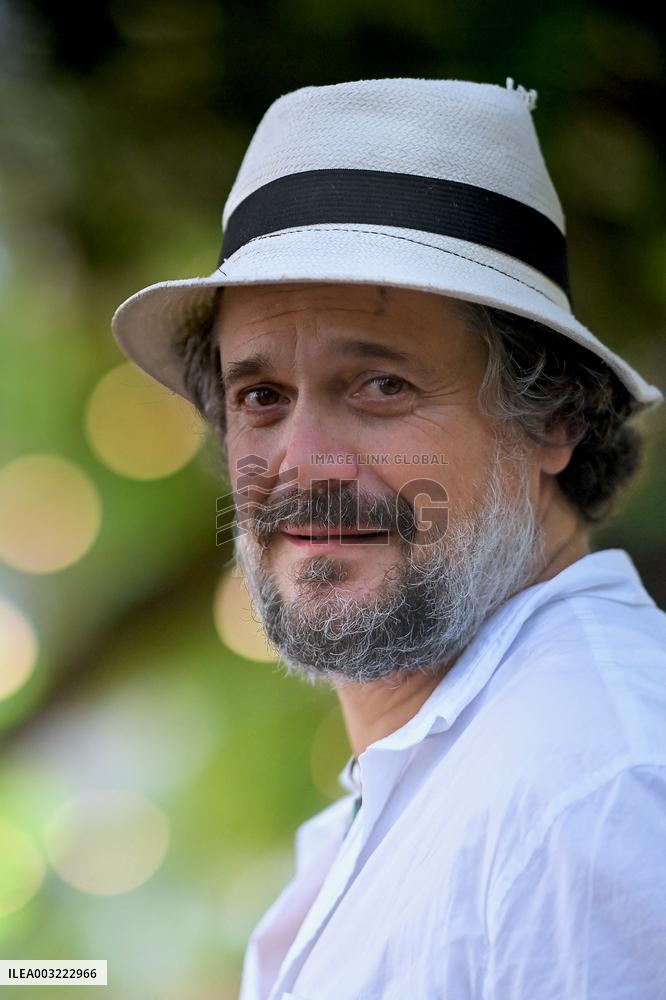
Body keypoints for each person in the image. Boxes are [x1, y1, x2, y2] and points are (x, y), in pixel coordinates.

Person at [111, 78, 666, 1000]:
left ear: (552, 415)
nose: (305, 466)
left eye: (379, 387)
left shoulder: (594, 789)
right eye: (261, 398)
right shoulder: (452, 784)